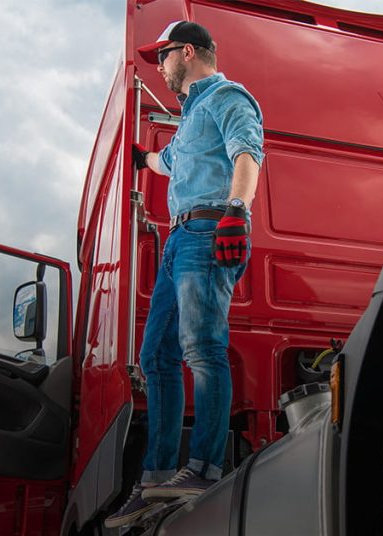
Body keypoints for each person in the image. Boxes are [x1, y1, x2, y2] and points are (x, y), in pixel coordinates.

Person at [104, 20, 264, 528]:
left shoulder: (226, 97)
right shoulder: (190, 117)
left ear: (188, 52)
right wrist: (137, 158)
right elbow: (166, 160)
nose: (161, 66)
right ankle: (156, 477)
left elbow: (247, 152)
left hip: (210, 232)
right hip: (178, 240)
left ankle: (204, 467)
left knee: (202, 349)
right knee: (156, 356)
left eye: (164, 56)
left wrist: (237, 209)